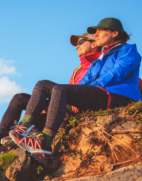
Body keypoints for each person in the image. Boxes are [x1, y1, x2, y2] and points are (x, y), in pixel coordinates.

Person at [8, 17, 141, 165]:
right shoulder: (100, 59)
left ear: (115, 33)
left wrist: (84, 91)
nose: (96, 34)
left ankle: (44, 145)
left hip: (115, 97)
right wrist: (77, 95)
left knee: (61, 89)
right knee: (43, 84)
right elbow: (84, 82)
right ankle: (24, 127)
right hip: (98, 92)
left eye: (100, 30)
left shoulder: (128, 50)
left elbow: (117, 74)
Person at [0, 32, 102, 158]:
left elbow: (94, 91)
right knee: (19, 98)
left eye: (80, 42)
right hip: (60, 100)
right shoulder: (78, 69)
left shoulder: (100, 63)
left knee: (38, 120)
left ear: (94, 43)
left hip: (73, 106)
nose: (76, 46)